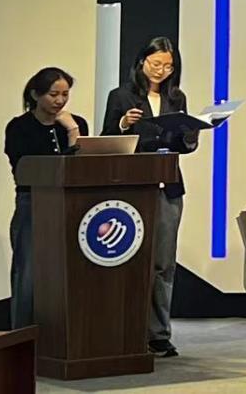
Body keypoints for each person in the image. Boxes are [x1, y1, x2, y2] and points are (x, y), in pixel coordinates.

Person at [101, 37, 195, 358]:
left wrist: (192, 133)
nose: (161, 71)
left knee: (163, 263)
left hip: (168, 186)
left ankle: (158, 334)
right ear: (142, 61)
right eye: (156, 64)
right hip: (133, 186)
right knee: (130, 260)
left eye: (168, 66)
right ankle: (126, 330)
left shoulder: (176, 97)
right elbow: (106, 140)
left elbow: (182, 146)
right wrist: (122, 124)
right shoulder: (121, 95)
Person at [4, 66, 89, 329]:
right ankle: (22, 336)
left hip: (71, 204)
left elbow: (83, 168)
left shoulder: (75, 124)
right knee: (28, 273)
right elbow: (23, 167)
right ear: (35, 94)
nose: (60, 101)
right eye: (53, 94)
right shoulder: (20, 127)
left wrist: (73, 132)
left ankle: (64, 333)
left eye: (65, 94)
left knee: (69, 272)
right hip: (33, 203)